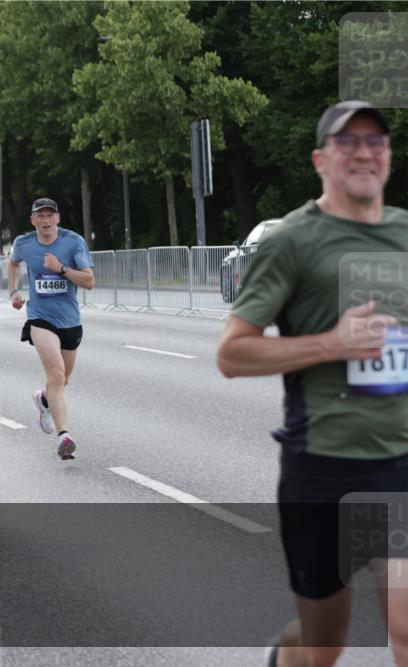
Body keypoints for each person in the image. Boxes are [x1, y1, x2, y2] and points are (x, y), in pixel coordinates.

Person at [216, 100, 408, 667]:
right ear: (320, 160)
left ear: (389, 158)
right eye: (348, 143)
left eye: (375, 141)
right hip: (323, 464)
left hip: (398, 463)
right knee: (324, 645)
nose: (364, 152)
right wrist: (334, 344)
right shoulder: (291, 241)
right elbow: (232, 353)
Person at [7, 197, 94, 460]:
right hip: (40, 318)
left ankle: (43, 400)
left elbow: (89, 281)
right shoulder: (23, 244)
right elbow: (13, 263)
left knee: (62, 380)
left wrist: (62, 268)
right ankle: (64, 436)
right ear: (33, 220)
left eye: (50, 215)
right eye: (40, 216)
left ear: (58, 218)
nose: (45, 220)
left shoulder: (73, 242)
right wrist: (13, 291)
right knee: (56, 375)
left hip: (70, 320)